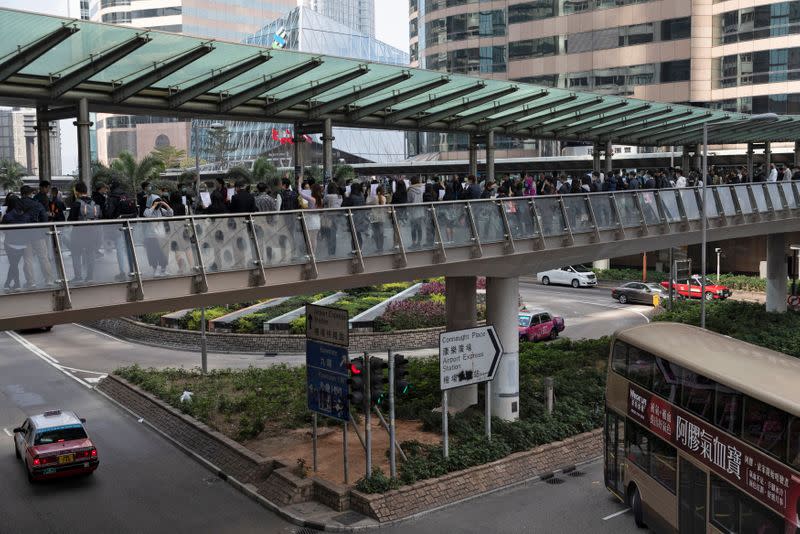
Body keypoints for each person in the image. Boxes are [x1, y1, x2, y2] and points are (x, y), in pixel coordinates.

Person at [104, 179, 139, 281]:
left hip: (118, 226)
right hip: (129, 225)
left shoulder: (112, 197)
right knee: (129, 248)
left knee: (120, 249)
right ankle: (133, 270)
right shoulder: (126, 195)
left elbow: (109, 213)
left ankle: (122, 272)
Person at [19, 184, 53, 288]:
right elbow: (44, 218)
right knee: (43, 257)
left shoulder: (17, 204)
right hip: (38, 234)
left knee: (27, 259)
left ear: (21, 193)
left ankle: (31, 282)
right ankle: (49, 280)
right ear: (30, 193)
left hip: (23, 235)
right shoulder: (37, 204)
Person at [67, 182, 102, 283]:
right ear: (86, 191)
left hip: (78, 232)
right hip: (92, 231)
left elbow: (71, 219)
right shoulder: (93, 202)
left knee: (76, 254)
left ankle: (78, 277)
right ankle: (90, 276)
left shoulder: (77, 203)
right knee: (90, 253)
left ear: (77, 192)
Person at [2, 195, 30, 290]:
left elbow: (3, 230)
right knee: (14, 264)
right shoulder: (25, 216)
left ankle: (17, 284)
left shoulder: (7, 216)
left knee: (13, 264)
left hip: (10, 243)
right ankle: (7, 283)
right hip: (22, 244)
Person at [142, 194, 173, 276]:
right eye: (155, 202)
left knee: (163, 253)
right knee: (153, 253)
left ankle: (163, 269)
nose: (157, 204)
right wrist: (153, 206)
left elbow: (171, 214)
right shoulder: (148, 210)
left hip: (162, 236)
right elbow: (146, 215)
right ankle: (155, 270)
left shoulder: (161, 210)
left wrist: (166, 205)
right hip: (151, 236)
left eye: (158, 201)